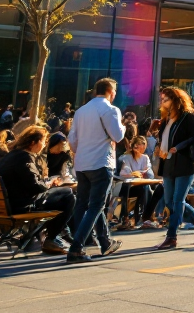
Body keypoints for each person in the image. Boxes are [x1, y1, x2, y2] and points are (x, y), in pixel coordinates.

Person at [67, 78, 126, 263]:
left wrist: (82, 151)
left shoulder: (81, 110)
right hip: (101, 162)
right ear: (111, 91)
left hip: (83, 163)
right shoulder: (110, 109)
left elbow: (73, 140)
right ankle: (76, 248)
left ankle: (104, 241)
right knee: (96, 206)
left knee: (84, 204)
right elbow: (117, 135)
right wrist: (123, 126)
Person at [0, 126, 76, 254]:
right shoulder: (25, 157)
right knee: (68, 194)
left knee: (63, 194)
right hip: (21, 205)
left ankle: (41, 237)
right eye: (43, 141)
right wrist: (49, 184)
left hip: (6, 203)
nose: (44, 145)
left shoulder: (10, 156)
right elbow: (36, 187)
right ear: (33, 142)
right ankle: (52, 238)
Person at [152, 86, 194, 249]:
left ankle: (171, 237)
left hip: (186, 162)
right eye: (162, 99)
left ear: (176, 100)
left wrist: (179, 146)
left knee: (178, 200)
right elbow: (164, 139)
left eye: (166, 99)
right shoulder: (166, 117)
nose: (163, 103)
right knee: (170, 201)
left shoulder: (189, 115)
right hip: (169, 162)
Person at [116, 135, 155, 231]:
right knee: (131, 188)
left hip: (140, 186)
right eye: (139, 145)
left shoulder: (145, 158)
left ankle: (144, 217)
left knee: (146, 188)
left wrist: (141, 172)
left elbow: (150, 174)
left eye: (143, 145)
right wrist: (134, 174)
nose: (141, 147)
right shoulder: (125, 157)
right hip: (127, 188)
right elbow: (124, 172)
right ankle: (128, 217)